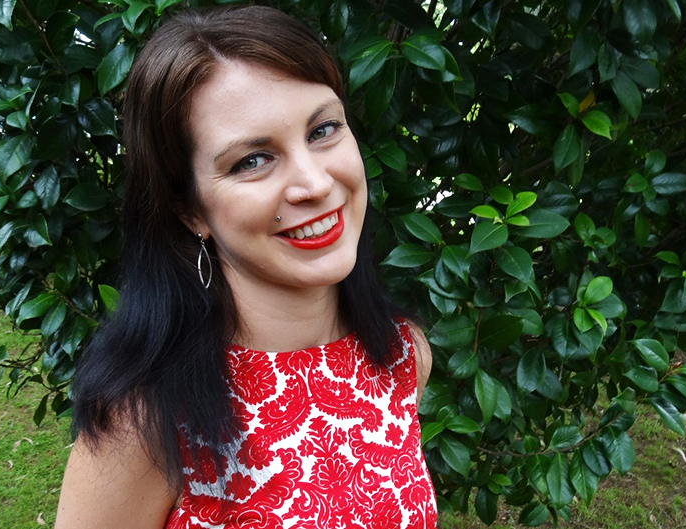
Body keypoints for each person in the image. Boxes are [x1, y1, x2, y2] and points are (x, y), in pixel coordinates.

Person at [54, 5, 438, 528]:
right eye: (251, 161)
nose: (316, 184)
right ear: (188, 208)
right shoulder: (146, 423)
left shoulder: (400, 353)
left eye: (323, 129)